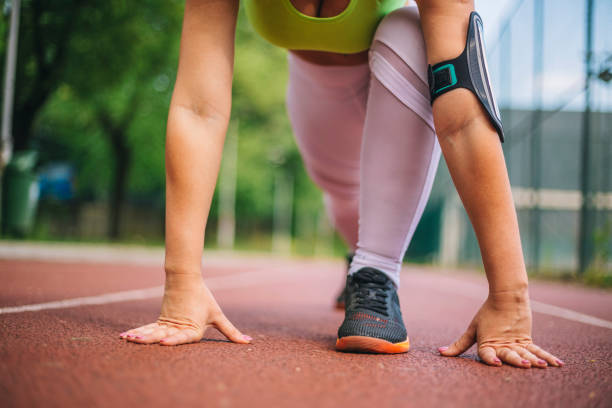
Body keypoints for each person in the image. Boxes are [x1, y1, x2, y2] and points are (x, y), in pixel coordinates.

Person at [120, 0, 564, 369]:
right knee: (344, 200)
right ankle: (358, 252)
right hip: (321, 103)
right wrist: (181, 283)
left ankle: (373, 273)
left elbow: (464, 117)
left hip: (400, 84)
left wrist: (509, 297)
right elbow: (199, 106)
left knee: (408, 27)